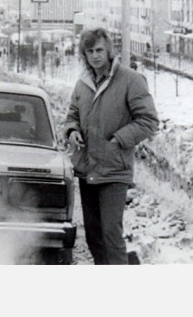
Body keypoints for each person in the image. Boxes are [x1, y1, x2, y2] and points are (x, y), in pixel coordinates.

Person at [64, 28, 159, 264]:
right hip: (87, 169)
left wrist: (118, 140)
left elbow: (149, 121)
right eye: (89, 52)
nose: (95, 56)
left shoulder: (130, 80)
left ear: (109, 51)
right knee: (94, 236)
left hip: (114, 168)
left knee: (110, 233)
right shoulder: (82, 84)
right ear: (84, 55)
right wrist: (73, 130)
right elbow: (72, 115)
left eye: (99, 50)